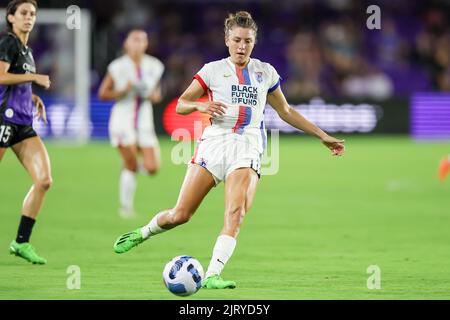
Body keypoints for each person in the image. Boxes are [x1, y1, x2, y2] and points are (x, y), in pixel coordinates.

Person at [113, 11, 345, 289]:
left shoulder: (265, 72)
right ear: (227, 40)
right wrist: (201, 106)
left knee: (236, 212)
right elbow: (181, 104)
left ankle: (212, 274)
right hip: (214, 144)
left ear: (254, 42)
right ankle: (144, 232)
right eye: (236, 40)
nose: (241, 46)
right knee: (181, 215)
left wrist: (321, 135)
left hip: (247, 146)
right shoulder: (212, 70)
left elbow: (286, 110)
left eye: (247, 41)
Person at [0, 0, 52, 264]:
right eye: (23, 13)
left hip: (23, 123)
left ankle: (21, 242)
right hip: (3, 120)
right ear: (11, 18)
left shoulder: (27, 51)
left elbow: (15, 82)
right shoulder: (7, 43)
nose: (29, 17)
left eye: (32, 13)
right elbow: (0, 77)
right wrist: (34, 79)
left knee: (43, 180)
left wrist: (32, 98)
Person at [98, 29, 164, 218]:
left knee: (152, 168)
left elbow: (157, 94)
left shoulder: (155, 66)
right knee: (132, 164)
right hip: (122, 121)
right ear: (126, 44)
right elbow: (103, 93)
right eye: (134, 40)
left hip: (144, 122)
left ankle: (129, 166)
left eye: (142, 40)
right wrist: (122, 91)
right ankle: (126, 207)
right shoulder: (117, 67)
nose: (138, 43)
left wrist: (154, 95)